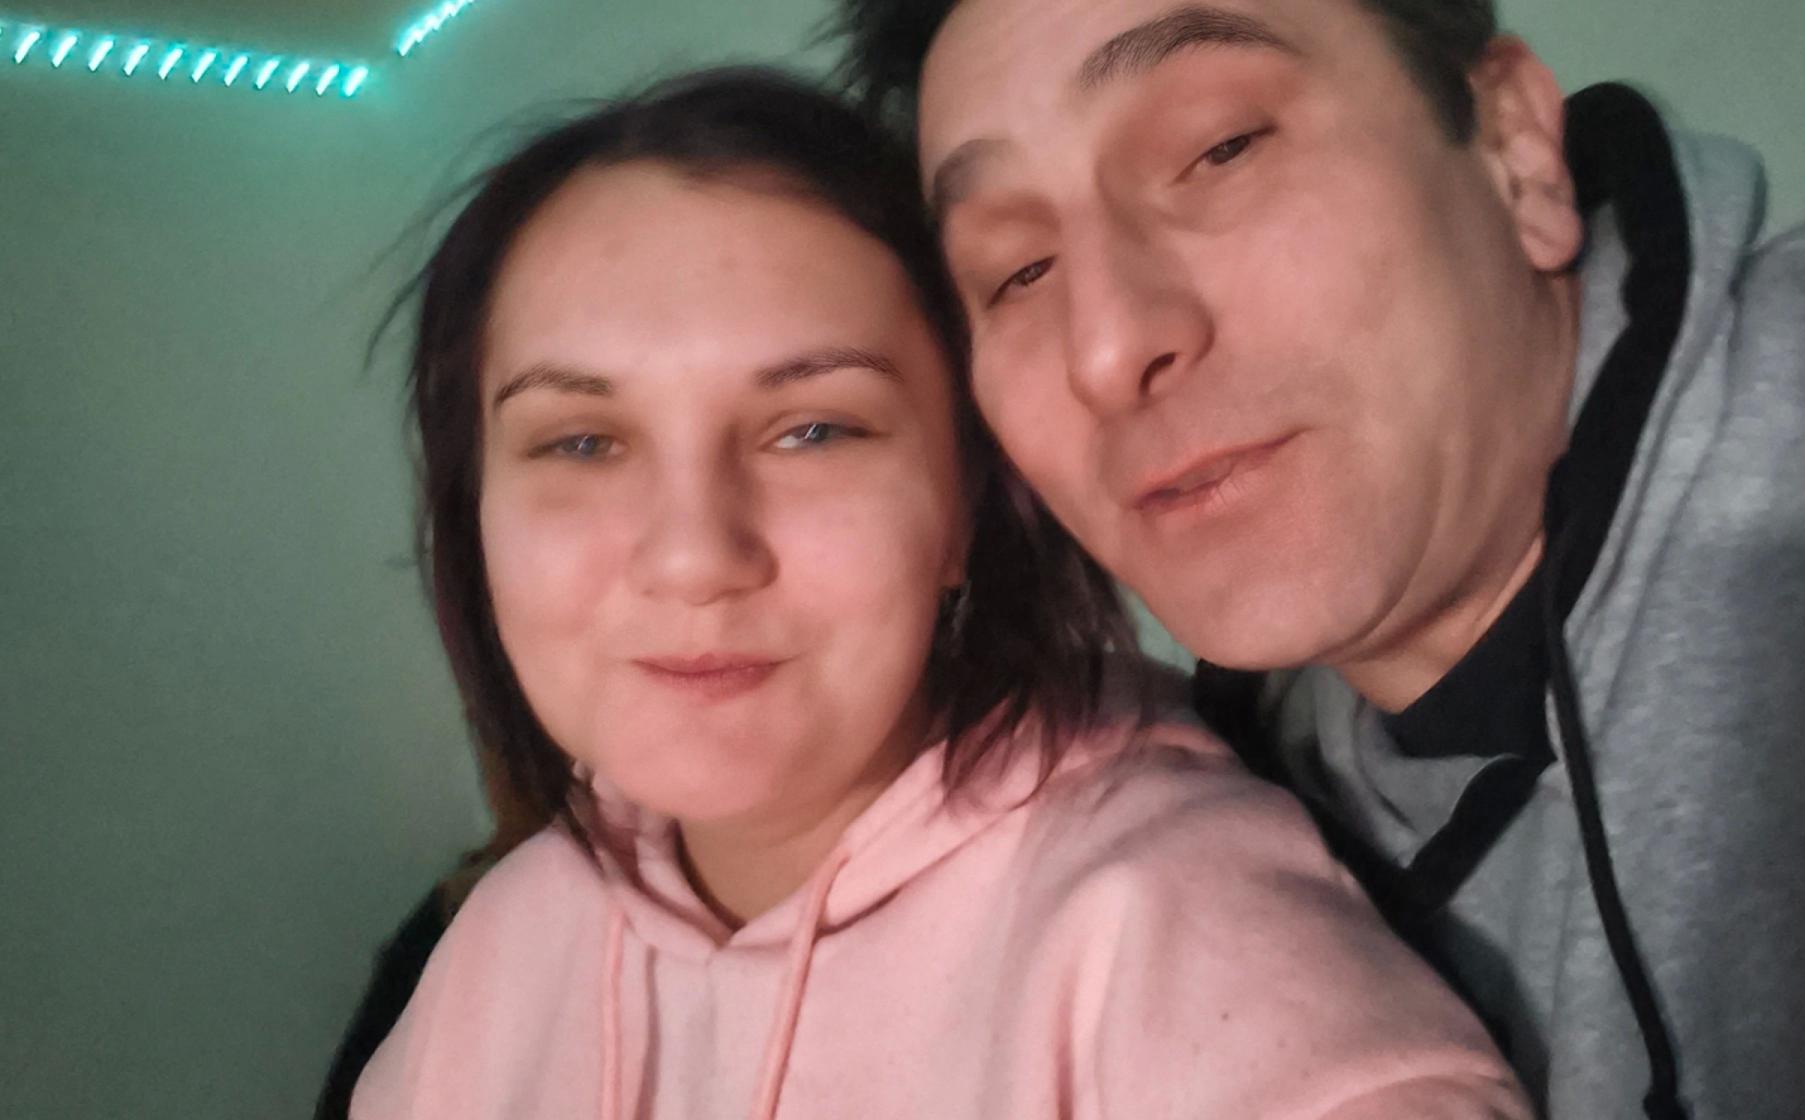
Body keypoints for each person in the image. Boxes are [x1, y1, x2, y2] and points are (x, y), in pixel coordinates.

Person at [823, 0, 1805, 1120]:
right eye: (1015, 272)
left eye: (1221, 148)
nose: (1108, 342)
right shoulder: (1186, 864)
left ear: (1515, 150)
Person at [349, 69, 1528, 1119]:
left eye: (814, 430)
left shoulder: (1175, 921)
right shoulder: (497, 951)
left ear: (965, 500)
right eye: (581, 444)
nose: (693, 556)